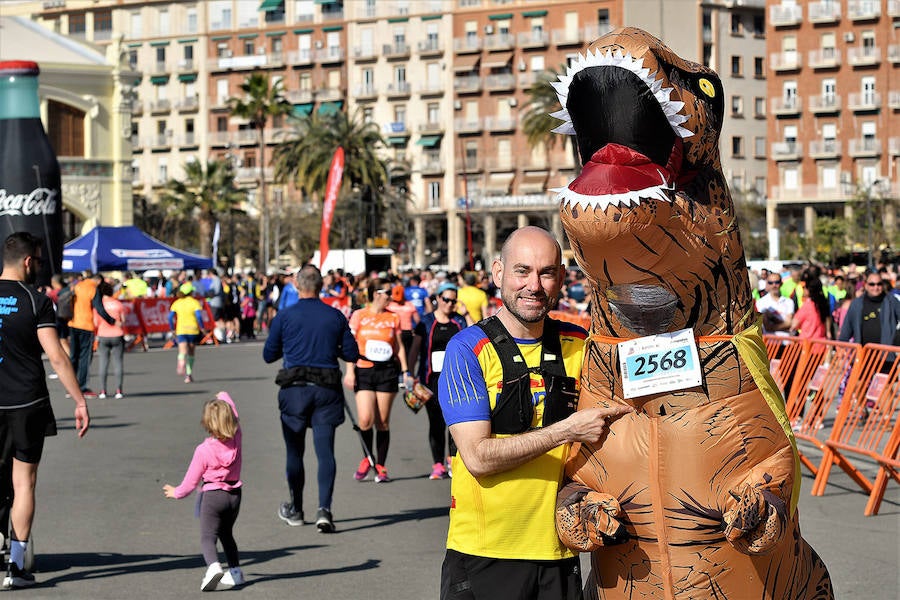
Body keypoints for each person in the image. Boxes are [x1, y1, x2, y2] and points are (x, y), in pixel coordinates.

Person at [437, 226, 631, 600]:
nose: (534, 285)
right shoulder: (467, 349)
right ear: (498, 274)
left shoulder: (580, 345)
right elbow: (477, 457)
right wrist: (566, 431)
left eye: (546, 272)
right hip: (485, 553)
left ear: (560, 278)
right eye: (522, 271)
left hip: (560, 552)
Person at [0, 232, 90, 588]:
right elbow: (56, 356)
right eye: (38, 261)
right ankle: (17, 568)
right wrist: (79, 401)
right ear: (27, 261)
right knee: (24, 483)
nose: (39, 267)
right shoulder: (36, 301)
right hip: (26, 403)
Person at [263, 265, 359, 532]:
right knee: (325, 451)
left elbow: (269, 355)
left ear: (296, 285)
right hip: (326, 389)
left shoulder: (285, 316)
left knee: (295, 452)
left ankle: (296, 508)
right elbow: (351, 353)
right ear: (320, 286)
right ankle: (324, 509)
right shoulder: (335, 316)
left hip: (294, 389)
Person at [163, 392, 244, 591]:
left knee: (208, 536)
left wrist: (177, 492)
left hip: (213, 497)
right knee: (227, 534)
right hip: (234, 495)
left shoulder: (203, 450)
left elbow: (190, 482)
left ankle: (214, 567)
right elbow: (234, 411)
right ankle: (235, 572)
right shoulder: (237, 437)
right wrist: (224, 395)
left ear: (207, 422)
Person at [345, 281, 414, 484]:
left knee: (382, 422)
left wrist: (406, 371)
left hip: (387, 372)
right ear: (376, 294)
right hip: (364, 370)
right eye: (387, 293)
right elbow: (350, 346)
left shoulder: (393, 317)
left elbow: (399, 346)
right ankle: (368, 458)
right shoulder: (359, 315)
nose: (391, 297)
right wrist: (349, 371)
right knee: (365, 419)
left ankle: (381, 465)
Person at [408, 282, 470, 480]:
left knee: (455, 424)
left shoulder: (459, 321)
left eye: (453, 300)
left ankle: (453, 460)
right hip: (431, 380)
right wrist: (409, 373)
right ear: (438, 299)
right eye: (446, 299)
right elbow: (416, 349)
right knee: (435, 424)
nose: (450, 304)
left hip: (455, 380)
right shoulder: (426, 322)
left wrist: (467, 313)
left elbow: (477, 333)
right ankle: (437, 464)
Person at [838, 271, 900, 347]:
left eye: (879, 284)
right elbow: (846, 329)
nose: (876, 287)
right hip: (863, 354)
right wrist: (841, 347)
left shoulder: (891, 301)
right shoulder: (856, 304)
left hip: (886, 355)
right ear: (866, 285)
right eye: (872, 284)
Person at [68, 271, 102, 398]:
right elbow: (99, 308)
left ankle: (70, 387)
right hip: (86, 325)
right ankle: (82, 387)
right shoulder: (92, 288)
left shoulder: (77, 286)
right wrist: (111, 320)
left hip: (73, 323)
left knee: (73, 356)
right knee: (85, 357)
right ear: (97, 280)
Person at [93, 281, 127, 399]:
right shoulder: (118, 304)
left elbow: (95, 323)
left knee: (103, 364)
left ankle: (103, 391)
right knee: (118, 363)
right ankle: (119, 390)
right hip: (117, 334)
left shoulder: (99, 305)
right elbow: (123, 321)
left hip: (103, 335)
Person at [169, 283, 204, 383]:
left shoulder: (177, 303)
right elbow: (199, 316)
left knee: (182, 351)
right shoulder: (194, 302)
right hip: (193, 330)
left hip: (181, 330)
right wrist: (202, 327)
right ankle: (188, 375)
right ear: (191, 292)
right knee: (191, 353)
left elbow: (170, 317)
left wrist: (172, 328)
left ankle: (181, 362)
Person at [387, 283, 420, 357]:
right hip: (406, 332)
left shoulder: (389, 305)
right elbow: (417, 320)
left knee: (395, 354)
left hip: (395, 333)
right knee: (407, 353)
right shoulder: (409, 305)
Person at [756, 271, 794, 335]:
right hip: (770, 343)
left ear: (781, 283)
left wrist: (772, 317)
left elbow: (789, 323)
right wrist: (786, 325)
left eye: (777, 282)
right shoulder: (761, 302)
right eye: (770, 283)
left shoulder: (789, 301)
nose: (774, 285)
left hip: (787, 343)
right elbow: (767, 327)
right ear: (767, 284)